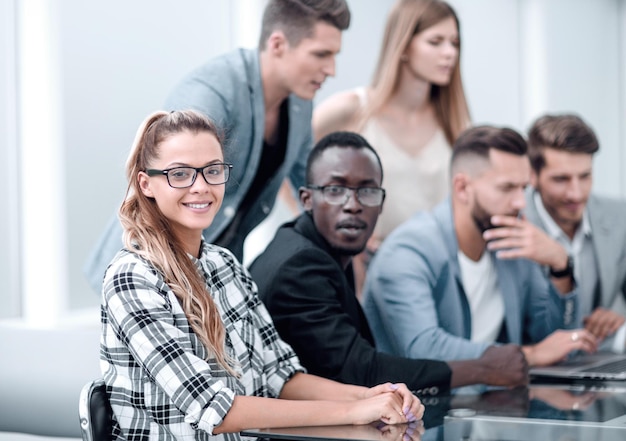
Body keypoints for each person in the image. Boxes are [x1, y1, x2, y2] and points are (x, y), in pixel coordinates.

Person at [101, 110, 424, 440]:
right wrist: (352, 412)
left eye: (212, 171)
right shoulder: (132, 278)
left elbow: (280, 375)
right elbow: (215, 409)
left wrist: (371, 396)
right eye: (180, 174)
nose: (200, 187)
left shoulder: (225, 265)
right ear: (146, 184)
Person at [85, 0, 350, 292]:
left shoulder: (300, 102)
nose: (332, 70)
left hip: (212, 275)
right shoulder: (212, 92)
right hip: (148, 270)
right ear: (277, 44)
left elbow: (310, 188)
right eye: (321, 55)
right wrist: (158, 286)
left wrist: (351, 233)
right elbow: (164, 190)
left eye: (335, 56)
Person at [249, 131, 529, 397]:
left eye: (368, 191)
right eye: (335, 189)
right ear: (306, 200)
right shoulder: (301, 266)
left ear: (381, 204)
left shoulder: (319, 249)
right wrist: (482, 369)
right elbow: (362, 372)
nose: (353, 204)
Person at [362, 125, 599, 369]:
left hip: (495, 397)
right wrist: (528, 355)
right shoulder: (408, 252)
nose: (520, 202)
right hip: (423, 403)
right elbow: (424, 350)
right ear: (463, 188)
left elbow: (558, 346)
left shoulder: (508, 243)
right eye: (507, 188)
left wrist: (561, 266)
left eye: (523, 188)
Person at [312, 0, 470, 296]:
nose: (450, 53)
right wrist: (335, 231)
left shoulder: (457, 125)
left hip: (435, 276)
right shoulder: (352, 110)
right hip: (366, 274)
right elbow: (292, 165)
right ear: (405, 46)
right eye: (436, 42)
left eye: (454, 43)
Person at [523, 113, 626, 351]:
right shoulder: (515, 222)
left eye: (585, 176)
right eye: (561, 179)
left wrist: (620, 319)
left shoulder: (618, 217)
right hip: (533, 371)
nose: (576, 193)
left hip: (598, 360)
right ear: (532, 176)